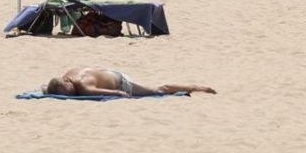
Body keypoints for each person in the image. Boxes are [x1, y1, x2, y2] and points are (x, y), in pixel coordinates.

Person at [42, 68, 215, 97]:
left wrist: (120, 94)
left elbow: (116, 93)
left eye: (72, 90)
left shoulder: (84, 87)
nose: (74, 92)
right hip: (107, 71)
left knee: (158, 90)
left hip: (120, 81)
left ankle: (198, 87)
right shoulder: (68, 75)